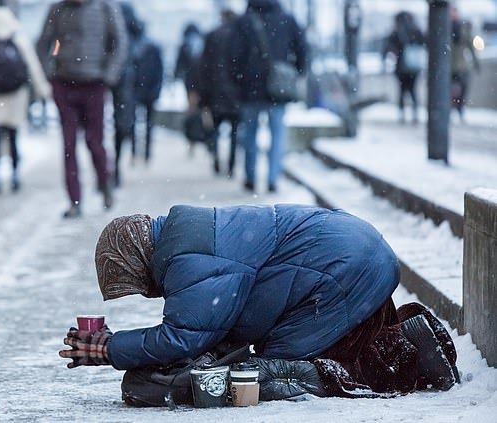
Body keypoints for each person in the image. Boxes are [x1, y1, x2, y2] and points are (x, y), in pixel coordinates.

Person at [59, 204, 458, 403]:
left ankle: (408, 359)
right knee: (282, 353)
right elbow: (212, 326)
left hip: (343, 272)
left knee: (273, 370)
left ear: (137, 261)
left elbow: (185, 338)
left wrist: (110, 348)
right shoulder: (190, 237)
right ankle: (405, 343)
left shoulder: (187, 259)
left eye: (137, 286)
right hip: (354, 257)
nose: (147, 293)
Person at [36, 0, 128, 218]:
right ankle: (74, 200)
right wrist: (50, 71)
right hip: (64, 84)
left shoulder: (106, 8)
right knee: (69, 145)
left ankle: (105, 183)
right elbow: (43, 44)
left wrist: (109, 75)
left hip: (94, 84)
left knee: (95, 142)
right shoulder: (58, 10)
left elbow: (119, 43)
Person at [0, 7, 51, 195]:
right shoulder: (19, 38)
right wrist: (43, 89)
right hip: (16, 96)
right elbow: (33, 66)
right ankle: (15, 175)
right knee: (13, 137)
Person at [229, 0, 306, 194]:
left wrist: (239, 79)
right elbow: (302, 50)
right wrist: (293, 72)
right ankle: (272, 179)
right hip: (278, 88)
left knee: (250, 134)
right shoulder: (287, 19)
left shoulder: (244, 21)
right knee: (277, 134)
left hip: (249, 88)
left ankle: (250, 178)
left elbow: (233, 56)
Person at [198, 8, 241, 177]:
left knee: (215, 129)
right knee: (234, 133)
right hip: (236, 94)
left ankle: (216, 159)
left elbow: (203, 66)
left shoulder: (212, 36)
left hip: (214, 91)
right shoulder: (240, 37)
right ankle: (230, 166)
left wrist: (204, 93)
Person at [111, 2, 139, 187]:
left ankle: (112, 168)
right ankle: (117, 165)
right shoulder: (127, 13)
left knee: (115, 125)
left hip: (107, 76)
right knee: (123, 122)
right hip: (124, 79)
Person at [382, 11, 426, 124]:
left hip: (401, 67)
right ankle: (415, 114)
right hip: (414, 67)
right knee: (413, 90)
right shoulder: (416, 30)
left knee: (402, 91)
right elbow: (424, 43)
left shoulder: (396, 32)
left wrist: (387, 59)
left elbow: (387, 48)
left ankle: (402, 115)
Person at [132, 19, 164, 164]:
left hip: (139, 90)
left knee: (136, 123)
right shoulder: (153, 47)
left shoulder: (134, 47)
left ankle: (138, 153)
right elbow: (159, 72)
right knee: (147, 124)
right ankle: (145, 154)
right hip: (147, 91)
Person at [451, 7, 481, 122]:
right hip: (448, 66)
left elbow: (471, 47)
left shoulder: (463, 28)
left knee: (463, 88)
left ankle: (460, 109)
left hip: (461, 65)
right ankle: (450, 110)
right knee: (448, 89)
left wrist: (476, 63)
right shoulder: (444, 26)